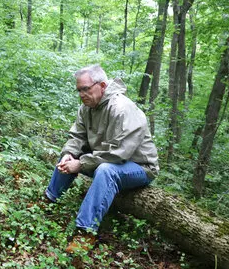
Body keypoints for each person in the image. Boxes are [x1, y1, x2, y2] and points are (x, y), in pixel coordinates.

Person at [45, 64, 159, 253]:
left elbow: (119, 153)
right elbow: (77, 138)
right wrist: (69, 155)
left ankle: (86, 232)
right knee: (69, 155)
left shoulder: (122, 109)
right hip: (105, 160)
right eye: (79, 90)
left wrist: (80, 164)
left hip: (139, 167)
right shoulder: (86, 108)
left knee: (106, 170)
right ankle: (50, 199)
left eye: (86, 89)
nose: (82, 94)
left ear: (103, 86)